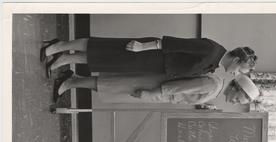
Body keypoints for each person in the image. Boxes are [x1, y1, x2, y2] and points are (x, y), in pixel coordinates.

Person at [40, 36, 257, 78]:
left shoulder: (214, 64)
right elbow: (176, 44)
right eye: (240, 70)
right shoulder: (211, 50)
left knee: (105, 60)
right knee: (104, 47)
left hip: (151, 65)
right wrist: (143, 46)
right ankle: (60, 46)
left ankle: (65, 59)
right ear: (236, 60)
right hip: (149, 52)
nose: (236, 74)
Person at [52, 70, 259, 106]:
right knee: (111, 85)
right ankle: (71, 82)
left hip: (158, 93)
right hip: (156, 87)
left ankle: (75, 79)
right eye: (237, 99)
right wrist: (150, 93)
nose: (234, 102)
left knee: (112, 89)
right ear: (236, 89)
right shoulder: (213, 84)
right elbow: (177, 87)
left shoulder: (215, 90)